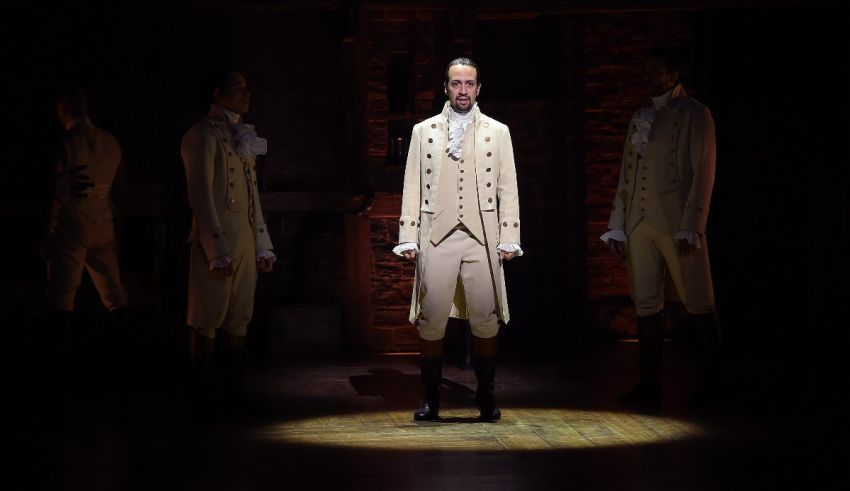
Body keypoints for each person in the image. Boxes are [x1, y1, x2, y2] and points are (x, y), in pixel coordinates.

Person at [394, 57, 522, 422]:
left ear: (478, 88)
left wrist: (509, 236)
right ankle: (430, 398)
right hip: (436, 235)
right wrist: (408, 236)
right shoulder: (424, 131)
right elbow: (412, 185)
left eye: (469, 84)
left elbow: (507, 188)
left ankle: (485, 396)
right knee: (431, 315)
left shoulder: (498, 132)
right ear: (445, 87)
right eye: (456, 84)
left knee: (486, 316)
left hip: (482, 236)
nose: (462, 90)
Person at [601, 47, 723, 408]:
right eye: (645, 70)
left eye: (655, 71)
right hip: (640, 224)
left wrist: (693, 224)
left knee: (698, 301)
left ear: (674, 74)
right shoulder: (640, 115)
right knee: (646, 304)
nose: (647, 76)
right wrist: (618, 225)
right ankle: (649, 385)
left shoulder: (695, 114)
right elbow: (626, 175)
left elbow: (703, 171)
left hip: (676, 222)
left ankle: (712, 386)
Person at [181, 69, 275, 398]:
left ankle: (233, 387)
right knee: (206, 314)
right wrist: (215, 248)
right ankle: (201, 388)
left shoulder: (242, 134)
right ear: (217, 93)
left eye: (247, 88)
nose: (247, 94)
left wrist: (262, 243)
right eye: (239, 89)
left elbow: (252, 196)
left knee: (239, 315)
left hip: (245, 235)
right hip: (218, 236)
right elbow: (201, 197)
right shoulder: (201, 135)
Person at [43, 89, 129, 339]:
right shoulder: (111, 141)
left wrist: (48, 227)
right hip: (104, 221)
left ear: (64, 110)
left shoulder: (65, 142)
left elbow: (57, 192)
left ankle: (59, 344)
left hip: (73, 223)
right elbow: (120, 186)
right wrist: (117, 217)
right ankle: (123, 340)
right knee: (113, 289)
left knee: (62, 291)